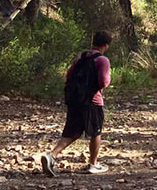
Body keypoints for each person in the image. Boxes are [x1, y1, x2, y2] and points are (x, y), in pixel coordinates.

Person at [40, 31, 112, 177]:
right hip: (92, 101)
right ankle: (93, 164)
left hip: (75, 100)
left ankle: (52, 156)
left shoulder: (81, 57)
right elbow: (104, 81)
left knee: (73, 132)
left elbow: (69, 75)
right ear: (106, 45)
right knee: (95, 131)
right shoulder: (102, 60)